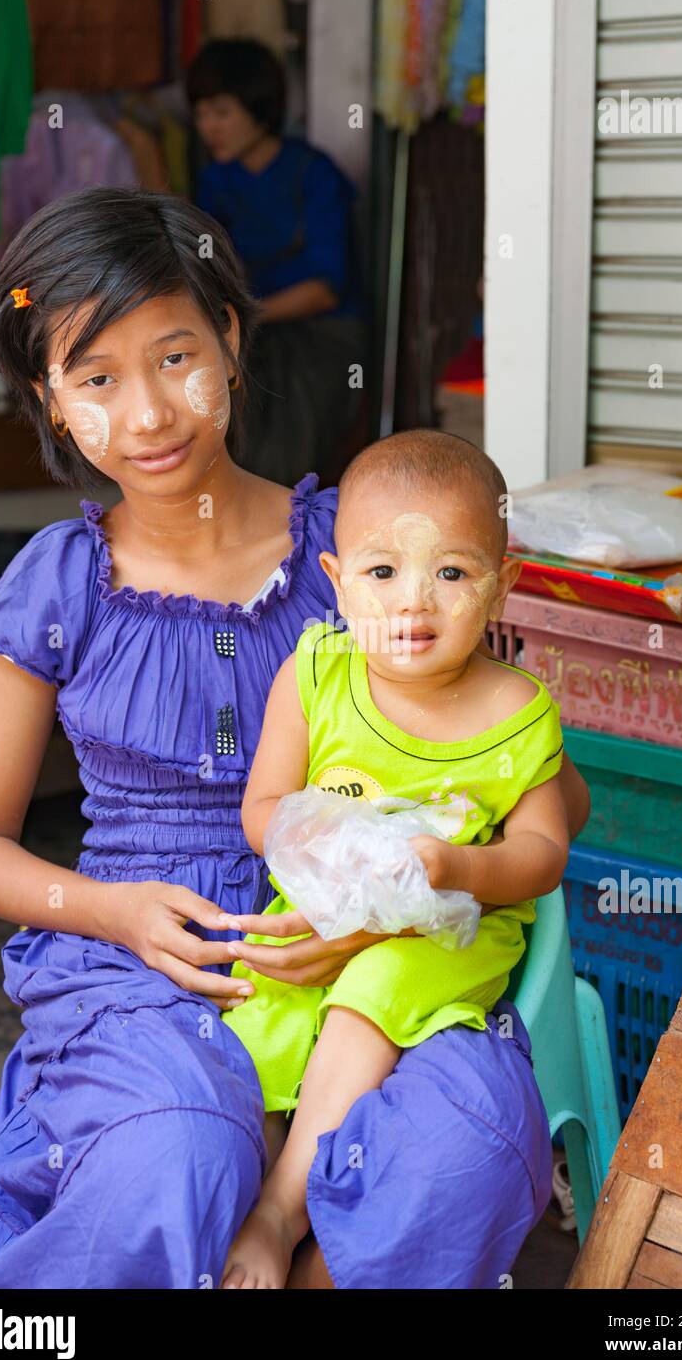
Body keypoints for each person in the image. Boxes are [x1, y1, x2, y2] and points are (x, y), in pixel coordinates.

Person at [0, 185, 590, 1290]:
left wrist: (389, 891)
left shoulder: (364, 553)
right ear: (50, 398)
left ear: (231, 341)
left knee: (458, 1147)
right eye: (95, 379)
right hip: (144, 954)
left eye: (175, 356)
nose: (147, 414)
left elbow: (548, 799)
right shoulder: (58, 583)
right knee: (178, 1150)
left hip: (376, 938)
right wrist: (118, 911)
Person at [219, 433, 570, 1288]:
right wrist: (327, 848)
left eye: (450, 573)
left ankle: (282, 1218)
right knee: (255, 1021)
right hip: (325, 908)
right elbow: (261, 811)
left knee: (371, 994)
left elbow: (543, 851)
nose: (413, 602)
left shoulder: (519, 711)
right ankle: (239, 1216)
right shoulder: (316, 676)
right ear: (336, 581)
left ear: (503, 584)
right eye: (382, 574)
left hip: (444, 932)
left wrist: (459, 870)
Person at [188, 38, 367, 486]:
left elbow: (325, 290)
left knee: (276, 442)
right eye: (202, 114)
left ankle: (277, 518)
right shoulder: (215, 181)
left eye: (222, 112)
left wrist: (244, 318)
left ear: (260, 108)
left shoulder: (315, 174)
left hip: (320, 336)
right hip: (250, 331)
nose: (209, 127)